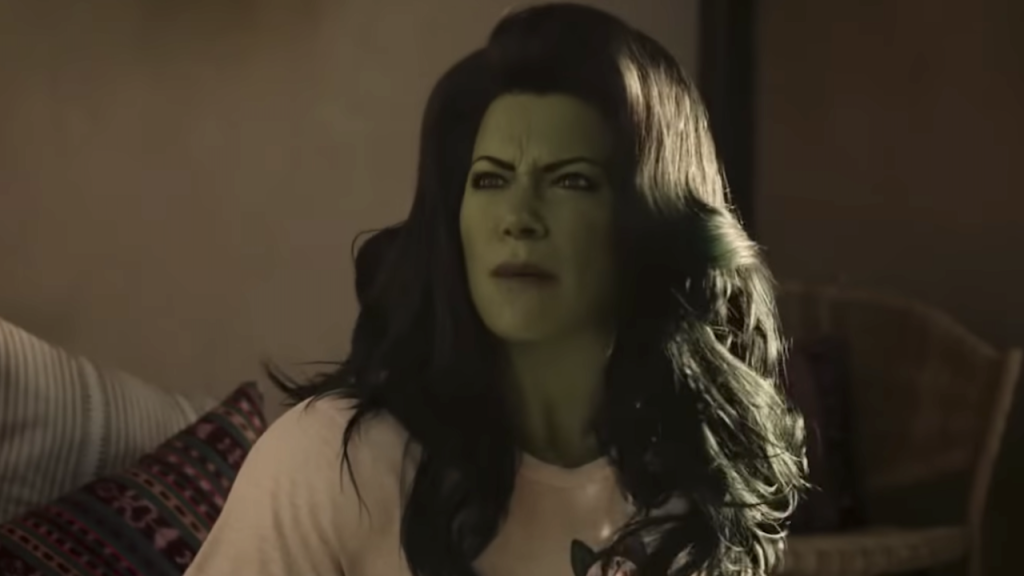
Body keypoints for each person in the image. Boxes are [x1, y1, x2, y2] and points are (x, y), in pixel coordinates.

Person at [183, 4, 806, 576]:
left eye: (570, 181)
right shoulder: (333, 463)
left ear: (651, 222)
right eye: (490, 180)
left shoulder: (696, 484)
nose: (518, 218)